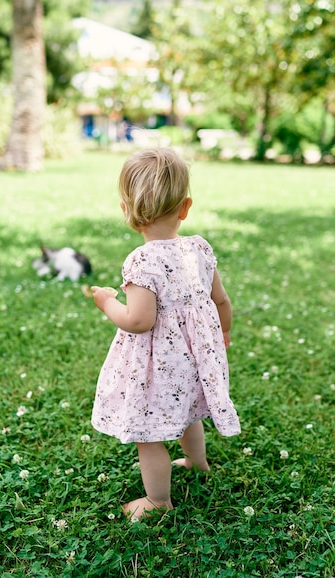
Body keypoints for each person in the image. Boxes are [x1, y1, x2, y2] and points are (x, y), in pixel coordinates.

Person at [91, 147, 241, 520]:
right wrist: (222, 334)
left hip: (159, 368)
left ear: (126, 210)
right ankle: (197, 462)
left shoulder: (142, 261)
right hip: (195, 359)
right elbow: (221, 300)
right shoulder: (200, 249)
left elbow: (139, 320)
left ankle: (158, 501)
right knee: (188, 412)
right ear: (185, 207)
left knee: (149, 431)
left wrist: (108, 302)